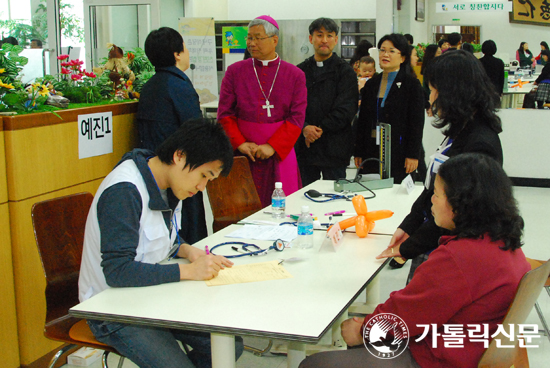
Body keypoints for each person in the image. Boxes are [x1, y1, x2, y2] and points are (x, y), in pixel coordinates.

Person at [300, 153, 530, 368]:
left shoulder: (458, 258)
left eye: (437, 194)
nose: (431, 200)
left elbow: (407, 313)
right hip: (472, 345)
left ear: (460, 205)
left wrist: (364, 328)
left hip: (437, 357)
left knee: (314, 363)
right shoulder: (504, 243)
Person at [79, 118, 244, 368]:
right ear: (179, 156)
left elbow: (160, 235)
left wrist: (187, 250)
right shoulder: (124, 191)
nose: (201, 187)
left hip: (152, 297)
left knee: (229, 346)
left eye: (209, 180)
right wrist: (188, 271)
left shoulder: (168, 183)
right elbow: (117, 271)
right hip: (114, 310)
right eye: (203, 175)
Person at [377, 50, 504, 283]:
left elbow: (456, 214)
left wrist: (409, 246)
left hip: (454, 251)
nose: (431, 97)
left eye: (434, 90)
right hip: (434, 238)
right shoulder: (461, 129)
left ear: (453, 92)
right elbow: (433, 192)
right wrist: (409, 226)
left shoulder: (479, 144)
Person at [218, 15, 307, 207]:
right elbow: (225, 114)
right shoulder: (234, 72)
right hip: (243, 154)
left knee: (282, 207)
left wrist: (273, 146)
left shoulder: (295, 75)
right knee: (241, 207)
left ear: (274, 40)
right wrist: (240, 143)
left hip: (279, 152)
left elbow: (297, 117)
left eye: (258, 38)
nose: (252, 43)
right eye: (249, 38)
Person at [136, 27, 207, 245]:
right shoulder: (179, 86)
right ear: (177, 53)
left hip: (152, 169)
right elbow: (196, 133)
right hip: (181, 170)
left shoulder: (148, 87)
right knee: (188, 232)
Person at [354, 33, 425, 185]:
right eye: (382, 50)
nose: (385, 54)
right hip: (372, 148)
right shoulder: (373, 83)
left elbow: (416, 122)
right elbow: (363, 120)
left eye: (392, 51)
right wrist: (359, 150)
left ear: (402, 57)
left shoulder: (411, 85)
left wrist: (413, 154)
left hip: (398, 150)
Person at [294, 18, 358, 186]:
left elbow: (346, 109)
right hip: (305, 148)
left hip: (335, 148)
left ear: (336, 40)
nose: (324, 40)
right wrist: (305, 127)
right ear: (310, 38)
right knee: (304, 197)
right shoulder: (300, 71)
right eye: (319, 35)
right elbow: (292, 106)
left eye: (329, 35)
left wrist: (318, 130)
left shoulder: (345, 72)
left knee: (336, 200)